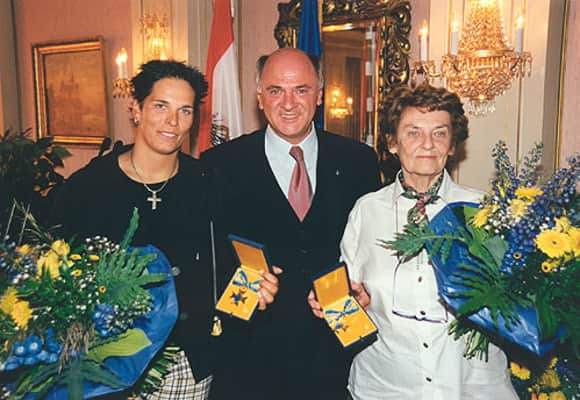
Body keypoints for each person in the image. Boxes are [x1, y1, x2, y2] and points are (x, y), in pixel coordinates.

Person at [47, 60, 279, 399]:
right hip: (106, 364)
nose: (173, 121)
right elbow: (58, 278)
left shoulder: (210, 184)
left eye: (185, 110)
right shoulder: (87, 188)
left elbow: (233, 265)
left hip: (185, 365)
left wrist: (257, 285)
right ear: (136, 108)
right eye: (161, 106)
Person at [309, 84, 518, 399]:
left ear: (452, 145)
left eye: (439, 133)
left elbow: (515, 299)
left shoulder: (483, 211)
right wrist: (335, 302)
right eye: (413, 132)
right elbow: (348, 294)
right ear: (392, 143)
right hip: (384, 387)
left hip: (470, 386)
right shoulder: (367, 211)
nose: (427, 144)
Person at [201, 48, 381, 400]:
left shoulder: (359, 161)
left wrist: (366, 291)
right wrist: (239, 288)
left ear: (320, 95)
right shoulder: (219, 165)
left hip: (333, 362)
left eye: (301, 89)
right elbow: (205, 263)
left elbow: (372, 251)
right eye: (275, 90)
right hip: (247, 364)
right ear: (259, 97)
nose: (288, 103)